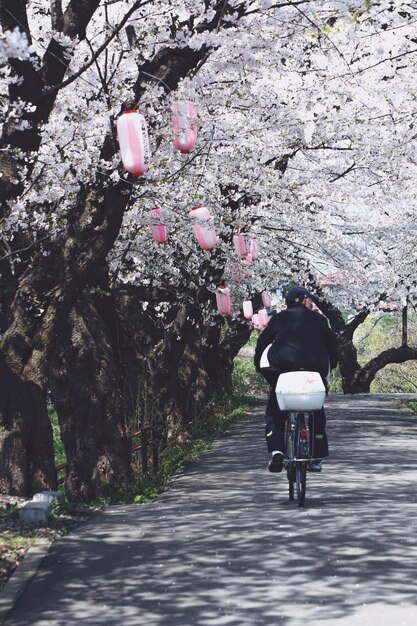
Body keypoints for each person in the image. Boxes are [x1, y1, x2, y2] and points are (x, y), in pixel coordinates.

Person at [254, 286, 338, 473]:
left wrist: (258, 367)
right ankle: (315, 457)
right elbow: (333, 347)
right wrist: (333, 364)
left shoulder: (279, 318)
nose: (312, 303)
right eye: (310, 300)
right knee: (316, 412)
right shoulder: (319, 319)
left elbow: (262, 344)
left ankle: (277, 450)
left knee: (274, 411)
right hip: (314, 370)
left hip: (281, 370)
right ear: (303, 300)